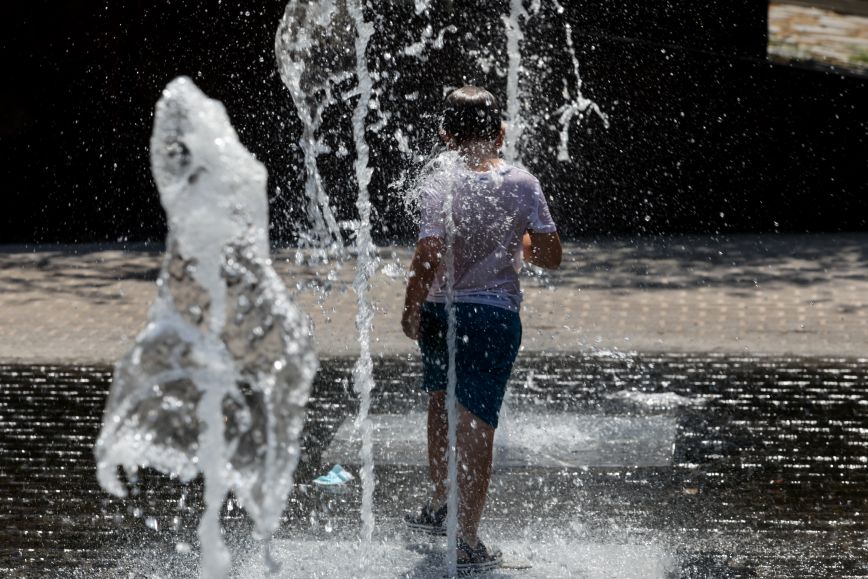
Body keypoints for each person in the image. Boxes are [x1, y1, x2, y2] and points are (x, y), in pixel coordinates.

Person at [401, 85, 562, 573]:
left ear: (447, 136)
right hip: (493, 316)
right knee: (479, 422)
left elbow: (428, 253)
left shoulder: (438, 181)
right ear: (501, 132)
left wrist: (411, 307)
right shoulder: (523, 182)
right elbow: (551, 256)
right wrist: (521, 238)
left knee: (440, 401)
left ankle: (439, 505)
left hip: (440, 312)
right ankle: (466, 538)